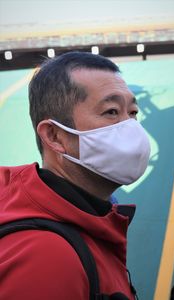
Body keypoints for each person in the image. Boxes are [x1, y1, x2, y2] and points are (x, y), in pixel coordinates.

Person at [0, 51, 150, 300]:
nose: (131, 127)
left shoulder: (89, 223)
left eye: (133, 112)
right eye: (112, 111)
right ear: (54, 136)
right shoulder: (45, 257)